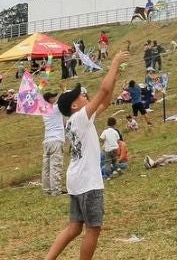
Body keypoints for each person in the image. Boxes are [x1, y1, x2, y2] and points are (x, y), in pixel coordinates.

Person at [44, 50, 129, 260]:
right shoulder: (81, 117)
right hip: (89, 182)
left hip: (75, 179)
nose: (83, 96)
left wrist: (115, 75)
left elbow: (106, 102)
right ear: (74, 105)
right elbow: (104, 89)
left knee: (74, 227)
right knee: (93, 228)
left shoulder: (76, 120)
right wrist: (114, 63)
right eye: (80, 96)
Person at [40, 92, 65, 196]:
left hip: (47, 140)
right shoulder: (55, 108)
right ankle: (56, 190)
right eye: (53, 97)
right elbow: (61, 101)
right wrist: (63, 90)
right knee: (55, 165)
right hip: (56, 139)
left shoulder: (43, 110)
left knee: (46, 167)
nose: (55, 98)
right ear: (49, 99)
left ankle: (47, 189)